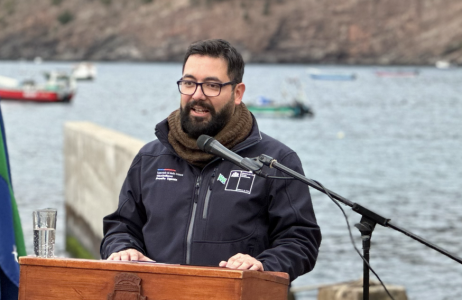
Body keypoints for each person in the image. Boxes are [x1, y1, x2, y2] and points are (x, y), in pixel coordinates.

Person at [100, 39, 321, 281]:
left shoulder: (276, 161)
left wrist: (262, 265)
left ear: (237, 93)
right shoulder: (150, 157)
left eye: (212, 85)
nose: (197, 95)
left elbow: (301, 241)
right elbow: (121, 227)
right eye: (189, 83)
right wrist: (123, 249)